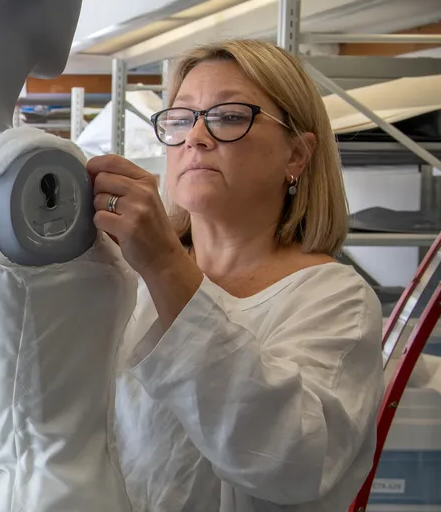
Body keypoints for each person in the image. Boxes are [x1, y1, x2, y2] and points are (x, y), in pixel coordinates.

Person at [89, 39, 383, 511]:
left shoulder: (334, 299)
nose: (196, 138)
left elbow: (290, 461)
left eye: (228, 116)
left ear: (297, 155)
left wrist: (166, 263)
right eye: (183, 118)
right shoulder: (126, 274)